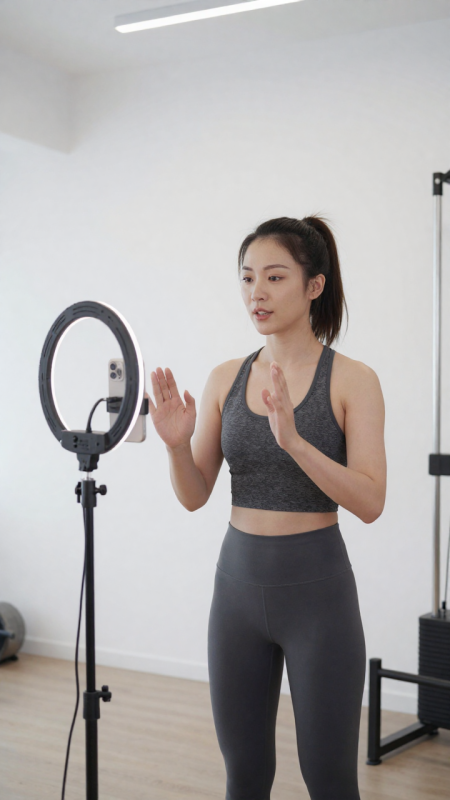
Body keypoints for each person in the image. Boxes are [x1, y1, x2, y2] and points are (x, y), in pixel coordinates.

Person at [147, 215, 387, 800]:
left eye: (275, 277)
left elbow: (371, 501)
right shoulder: (225, 379)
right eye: (248, 277)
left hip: (318, 597)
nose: (257, 292)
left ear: (314, 286)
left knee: (329, 779)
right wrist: (177, 446)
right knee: (245, 776)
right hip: (236, 592)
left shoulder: (352, 380)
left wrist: (296, 443)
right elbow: (194, 495)